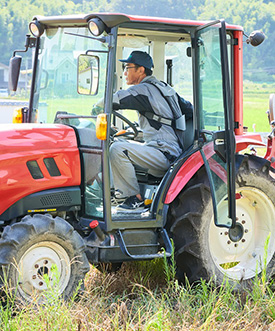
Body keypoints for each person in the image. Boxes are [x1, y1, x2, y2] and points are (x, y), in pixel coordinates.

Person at [110, 50, 192, 211]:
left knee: (116, 149)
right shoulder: (164, 88)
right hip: (170, 150)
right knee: (118, 142)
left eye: (128, 67)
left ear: (141, 70)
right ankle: (117, 194)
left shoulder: (143, 90)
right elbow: (189, 110)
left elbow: (112, 100)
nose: (125, 72)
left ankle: (133, 198)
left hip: (164, 154)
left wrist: (95, 108)